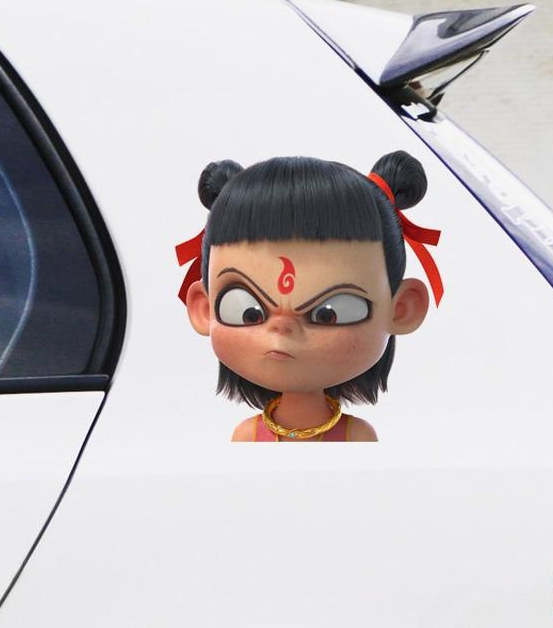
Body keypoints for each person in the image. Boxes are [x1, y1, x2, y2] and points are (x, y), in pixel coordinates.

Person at [176, 151, 442, 442]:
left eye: (329, 313)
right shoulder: (247, 436)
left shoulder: (357, 437)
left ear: (402, 309)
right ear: (203, 309)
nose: (282, 327)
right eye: (249, 312)